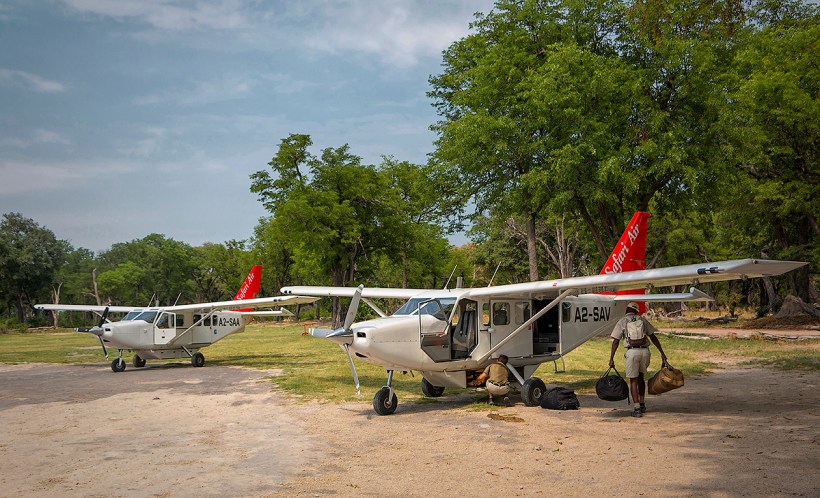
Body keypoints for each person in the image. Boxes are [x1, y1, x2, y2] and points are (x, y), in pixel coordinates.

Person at [608, 302, 667, 418]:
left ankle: (636, 408)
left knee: (633, 381)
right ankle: (642, 403)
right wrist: (662, 354)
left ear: (627, 310)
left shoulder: (623, 321)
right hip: (645, 352)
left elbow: (615, 341)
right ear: (636, 311)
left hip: (632, 353)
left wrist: (611, 358)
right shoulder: (642, 320)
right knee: (641, 378)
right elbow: (653, 337)